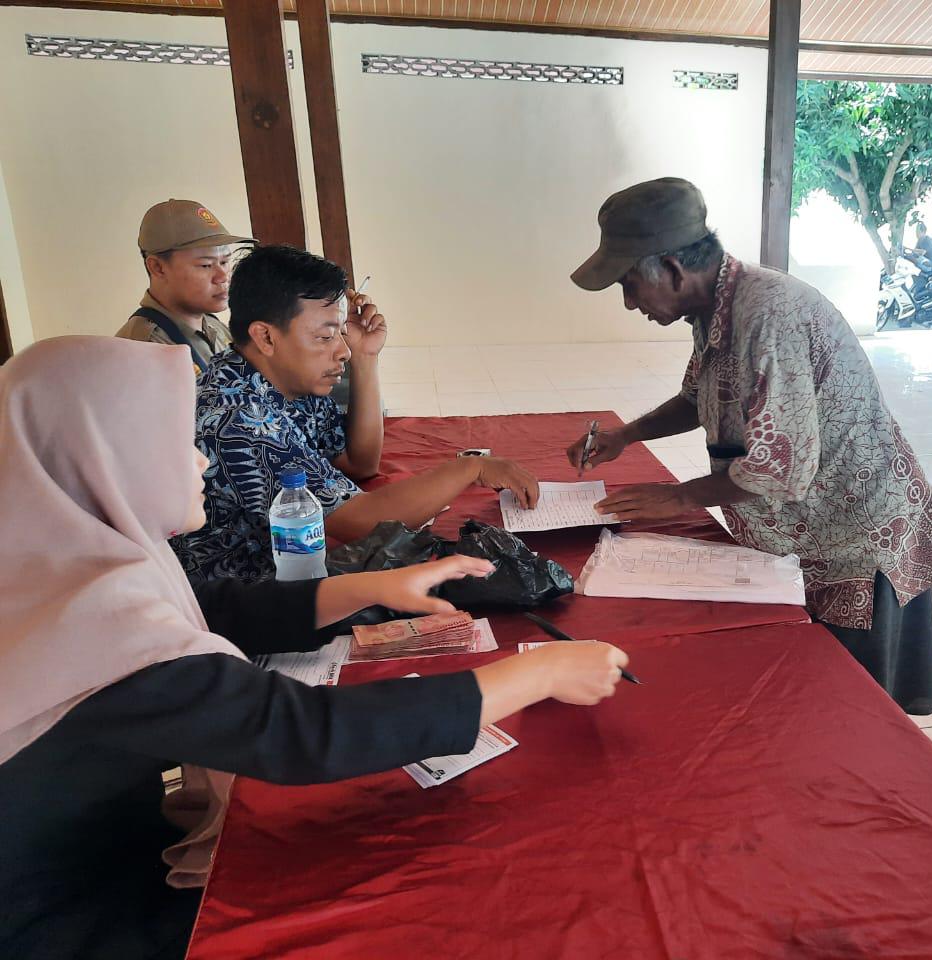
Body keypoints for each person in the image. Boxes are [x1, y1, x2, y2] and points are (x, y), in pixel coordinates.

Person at [0, 336, 629, 960]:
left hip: (102, 858)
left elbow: (216, 607)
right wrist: (537, 675)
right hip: (81, 921)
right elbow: (302, 733)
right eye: (174, 442)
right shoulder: (101, 629)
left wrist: (371, 587)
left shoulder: (55, 560)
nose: (201, 462)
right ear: (100, 460)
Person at [566, 178, 932, 714]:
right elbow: (698, 396)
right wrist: (625, 436)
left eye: (628, 284)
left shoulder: (767, 316)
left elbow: (782, 470)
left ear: (673, 270)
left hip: (857, 542)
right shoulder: (717, 307)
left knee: (855, 715)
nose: (630, 302)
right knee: (811, 703)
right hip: (806, 535)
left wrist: (679, 497)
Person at [172, 245, 541, 581]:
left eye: (340, 334)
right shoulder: (239, 419)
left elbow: (359, 462)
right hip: (235, 598)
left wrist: (366, 358)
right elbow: (364, 522)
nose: (342, 351)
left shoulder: (277, 375)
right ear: (266, 337)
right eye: (325, 336)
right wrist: (471, 468)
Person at [115, 199, 255, 373]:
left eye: (225, 262)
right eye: (205, 265)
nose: (223, 277)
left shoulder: (215, 327)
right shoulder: (143, 348)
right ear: (158, 267)